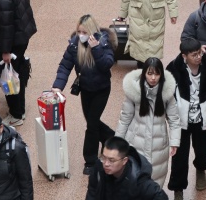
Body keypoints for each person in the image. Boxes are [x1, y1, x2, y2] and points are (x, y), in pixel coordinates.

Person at [51, 14, 117, 175]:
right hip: (86, 89)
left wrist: (96, 49)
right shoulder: (74, 45)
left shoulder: (103, 42)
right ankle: (110, 138)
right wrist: (57, 86)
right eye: (79, 31)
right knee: (91, 120)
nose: (81, 35)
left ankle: (91, 160)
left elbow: (107, 64)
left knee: (92, 124)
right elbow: (65, 66)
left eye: (84, 31)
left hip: (101, 89)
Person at [166, 38, 206, 200]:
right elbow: (165, 92)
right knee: (179, 157)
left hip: (203, 119)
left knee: (203, 151)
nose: (199, 57)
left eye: (199, 53)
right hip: (181, 121)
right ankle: (178, 188)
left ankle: (201, 169)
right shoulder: (174, 68)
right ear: (184, 56)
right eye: (194, 55)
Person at [116, 57, 181, 187]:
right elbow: (125, 118)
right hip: (135, 143)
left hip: (159, 145)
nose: (153, 78)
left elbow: (174, 120)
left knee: (156, 179)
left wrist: (174, 142)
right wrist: (117, 142)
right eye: (149, 73)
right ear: (144, 73)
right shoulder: (134, 92)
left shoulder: (167, 93)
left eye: (156, 74)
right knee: (135, 181)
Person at [86, 136, 169, 200]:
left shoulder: (139, 180)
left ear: (124, 160)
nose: (106, 164)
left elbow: (160, 196)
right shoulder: (99, 167)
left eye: (111, 160)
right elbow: (92, 193)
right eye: (104, 157)